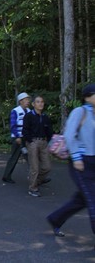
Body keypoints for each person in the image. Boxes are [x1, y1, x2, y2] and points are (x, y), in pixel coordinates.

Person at [47, 84, 95, 239]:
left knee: (82, 199)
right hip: (81, 163)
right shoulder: (79, 112)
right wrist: (76, 157)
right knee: (92, 199)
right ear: (87, 96)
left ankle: (56, 219)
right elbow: (69, 135)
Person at [23, 95, 53, 197]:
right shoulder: (29, 116)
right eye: (38, 102)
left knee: (47, 167)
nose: (41, 104)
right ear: (33, 104)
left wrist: (49, 141)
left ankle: (36, 180)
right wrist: (30, 141)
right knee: (34, 167)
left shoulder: (45, 117)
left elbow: (49, 131)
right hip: (33, 142)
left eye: (42, 102)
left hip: (44, 143)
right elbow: (25, 130)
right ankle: (32, 188)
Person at [1, 92, 31, 183]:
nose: (28, 101)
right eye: (26, 99)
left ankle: (38, 177)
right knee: (14, 157)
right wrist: (17, 136)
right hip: (17, 138)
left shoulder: (29, 111)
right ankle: (6, 176)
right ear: (20, 101)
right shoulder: (15, 111)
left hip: (26, 138)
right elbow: (13, 125)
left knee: (31, 158)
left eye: (28, 99)